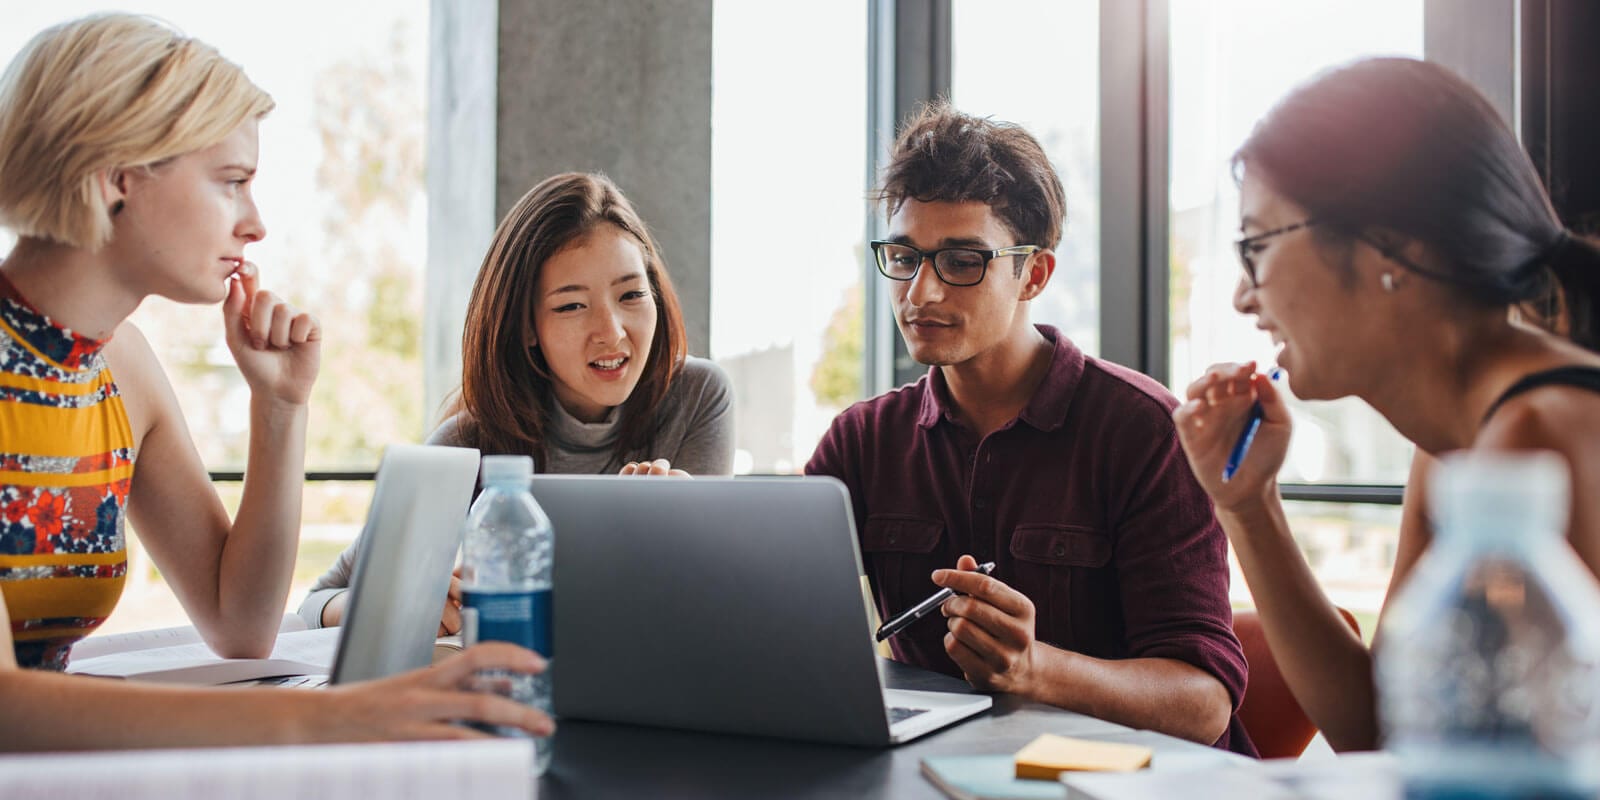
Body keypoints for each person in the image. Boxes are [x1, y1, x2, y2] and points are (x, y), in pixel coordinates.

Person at [0, 13, 550, 749]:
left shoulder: (120, 367)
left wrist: (280, 405)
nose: (256, 224)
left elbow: (240, 625)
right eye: (231, 183)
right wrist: (334, 717)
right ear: (117, 178)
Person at [1172, 56, 1600, 753]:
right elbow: (1380, 731)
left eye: (1256, 246)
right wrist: (1246, 505)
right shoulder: (1455, 443)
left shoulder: (1538, 434)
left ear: (1388, 247)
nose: (1243, 297)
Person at [805, 103, 1253, 753]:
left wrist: (1038, 671)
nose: (920, 294)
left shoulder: (1144, 430)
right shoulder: (863, 440)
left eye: (961, 261)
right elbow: (768, 615)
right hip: (944, 776)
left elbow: (1204, 704)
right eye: (904, 256)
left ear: (1034, 273)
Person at [302, 172, 734, 630]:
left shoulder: (698, 395)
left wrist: (693, 527)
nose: (611, 331)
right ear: (526, 327)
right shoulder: (469, 442)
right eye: (571, 306)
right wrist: (413, 603)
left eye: (631, 295)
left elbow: (700, 606)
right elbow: (317, 600)